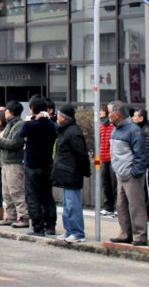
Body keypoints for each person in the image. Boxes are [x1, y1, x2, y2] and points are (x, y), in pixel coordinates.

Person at [108, 101, 148, 246]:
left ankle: (140, 235)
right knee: (121, 206)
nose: (108, 115)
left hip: (131, 175)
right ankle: (125, 233)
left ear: (117, 114)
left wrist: (135, 172)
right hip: (120, 174)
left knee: (136, 206)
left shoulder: (133, 130)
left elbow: (140, 154)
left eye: (110, 112)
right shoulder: (116, 129)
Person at [18, 95, 58, 236]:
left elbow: (21, 134)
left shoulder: (30, 124)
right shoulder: (51, 125)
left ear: (32, 109)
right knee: (47, 196)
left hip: (32, 164)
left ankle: (38, 227)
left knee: (33, 197)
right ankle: (50, 226)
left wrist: (29, 120)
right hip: (47, 163)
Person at [52, 103, 89, 243]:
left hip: (72, 172)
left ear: (64, 117)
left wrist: (85, 170)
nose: (57, 117)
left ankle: (77, 232)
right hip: (65, 172)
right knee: (67, 205)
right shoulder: (64, 130)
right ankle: (69, 230)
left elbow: (81, 154)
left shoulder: (74, 133)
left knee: (73, 204)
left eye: (59, 115)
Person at [0, 100, 28, 228]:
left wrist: (0, 140)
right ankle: (10, 216)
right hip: (6, 162)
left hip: (15, 162)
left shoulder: (20, 125)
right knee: (6, 192)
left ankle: (23, 216)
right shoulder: (8, 125)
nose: (5, 113)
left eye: (6, 110)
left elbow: (15, 143)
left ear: (11, 112)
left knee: (16, 190)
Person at [132, 108, 149, 222]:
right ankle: (142, 212)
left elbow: (148, 151)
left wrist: (142, 164)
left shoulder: (148, 131)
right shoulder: (138, 130)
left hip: (145, 165)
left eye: (135, 116)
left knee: (146, 188)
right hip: (139, 164)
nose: (133, 118)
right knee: (140, 189)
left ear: (141, 118)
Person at [99, 105, 117, 217]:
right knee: (106, 183)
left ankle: (117, 207)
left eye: (101, 111)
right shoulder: (100, 125)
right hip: (103, 157)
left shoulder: (113, 125)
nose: (100, 112)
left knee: (114, 183)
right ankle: (108, 206)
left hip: (112, 157)